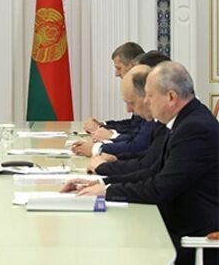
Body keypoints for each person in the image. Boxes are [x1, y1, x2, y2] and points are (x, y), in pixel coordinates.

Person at [63, 61, 218, 265]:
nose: (146, 101)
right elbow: (153, 170)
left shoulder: (194, 128)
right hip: (170, 222)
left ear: (171, 97)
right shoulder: (184, 121)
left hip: (190, 237)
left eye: (150, 96)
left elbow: (161, 188)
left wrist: (108, 191)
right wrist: (102, 183)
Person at [86, 65, 168, 174]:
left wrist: (104, 168)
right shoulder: (162, 123)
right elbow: (148, 158)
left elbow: (149, 167)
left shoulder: (179, 126)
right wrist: (116, 160)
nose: (128, 109)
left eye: (131, 103)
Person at [81, 41, 144, 135]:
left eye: (119, 68)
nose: (116, 74)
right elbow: (132, 125)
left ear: (133, 66)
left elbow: (137, 135)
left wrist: (107, 134)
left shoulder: (145, 90)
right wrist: (102, 125)